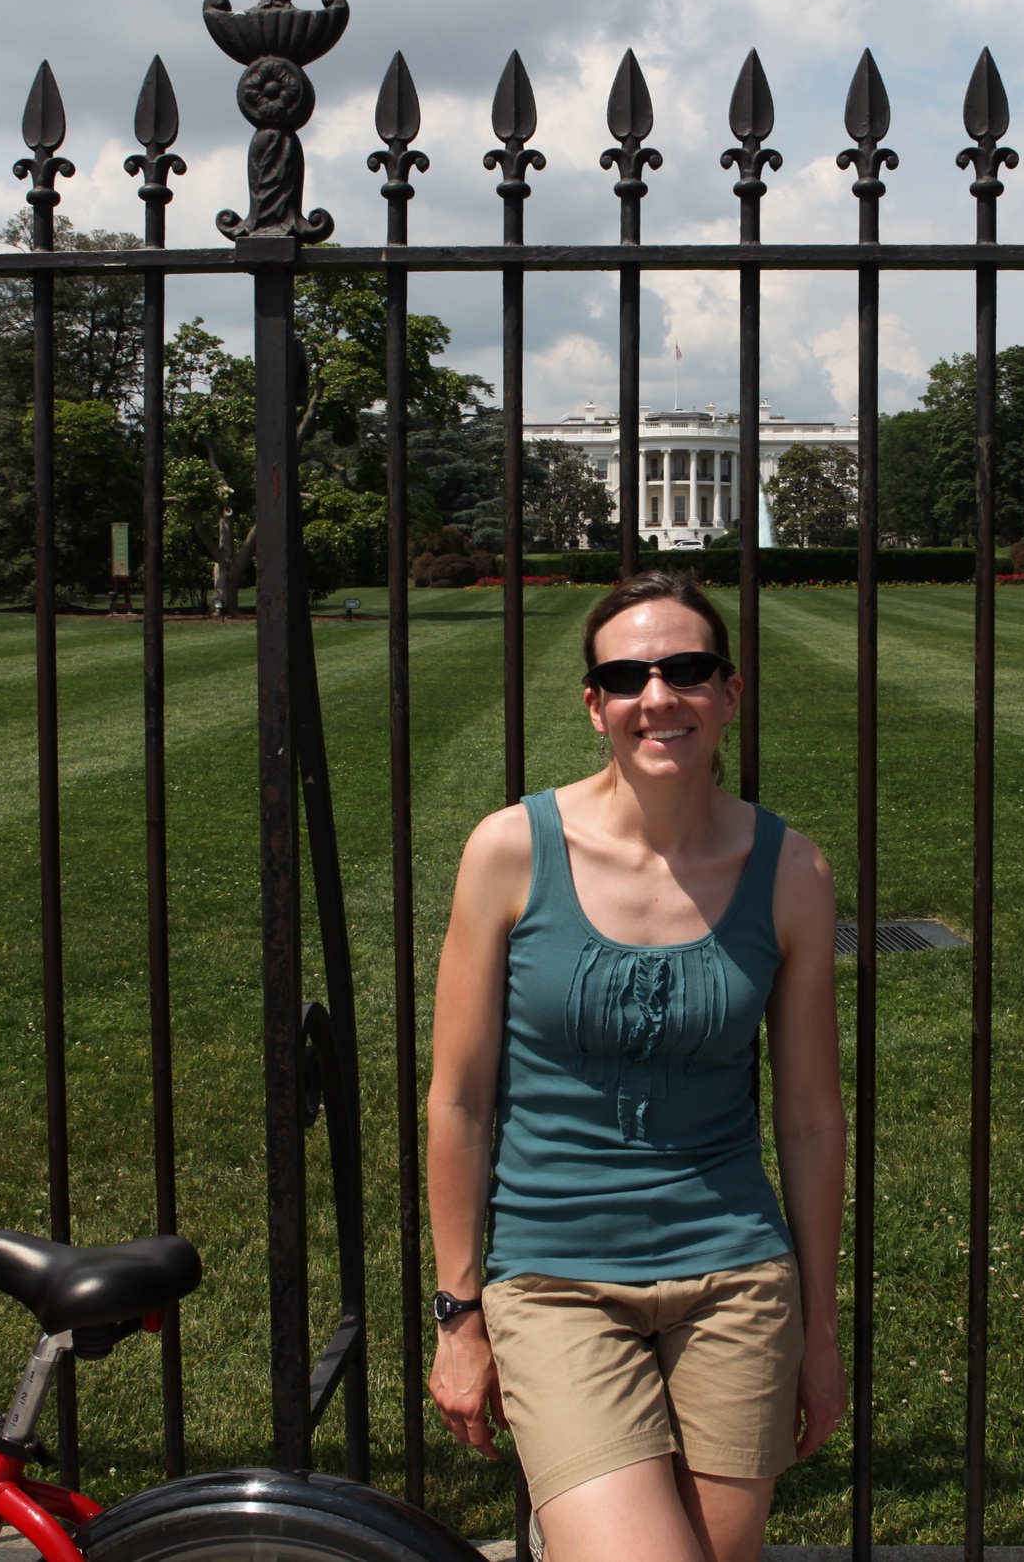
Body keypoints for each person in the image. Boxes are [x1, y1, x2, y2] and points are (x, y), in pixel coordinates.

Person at [427, 571, 848, 1562]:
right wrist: (458, 1315)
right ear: (595, 705)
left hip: (735, 1274)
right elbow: (460, 1100)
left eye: (686, 669)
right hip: (555, 1274)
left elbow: (810, 1118)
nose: (657, 697)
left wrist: (819, 1331)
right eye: (626, 677)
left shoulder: (790, 872)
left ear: (729, 693)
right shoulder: (510, 851)